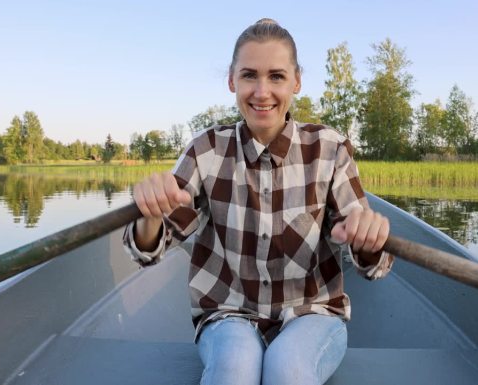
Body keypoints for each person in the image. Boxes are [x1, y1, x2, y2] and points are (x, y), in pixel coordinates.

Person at [123, 18, 394, 385]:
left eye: (277, 77)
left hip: (313, 313)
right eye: (250, 75)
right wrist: (150, 215)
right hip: (228, 313)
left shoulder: (329, 149)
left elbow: (374, 267)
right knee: (234, 369)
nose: (262, 91)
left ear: (296, 81)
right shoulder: (205, 150)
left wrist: (370, 238)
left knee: (288, 369)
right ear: (232, 81)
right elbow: (148, 251)